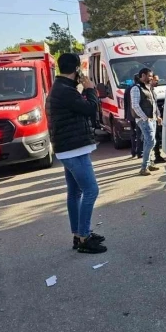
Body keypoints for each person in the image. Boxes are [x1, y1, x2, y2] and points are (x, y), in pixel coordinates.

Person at [47, 53, 106, 254]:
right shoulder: (65, 91)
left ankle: (78, 233)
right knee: (91, 191)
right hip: (74, 150)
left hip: (69, 148)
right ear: (76, 69)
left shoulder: (62, 88)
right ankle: (83, 237)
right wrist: (90, 89)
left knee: (75, 192)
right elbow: (90, 109)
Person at [131, 68, 161, 176]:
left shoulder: (149, 88)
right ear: (142, 76)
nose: (151, 78)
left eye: (152, 76)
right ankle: (144, 167)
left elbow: (154, 103)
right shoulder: (136, 88)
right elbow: (135, 105)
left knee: (149, 141)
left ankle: (149, 163)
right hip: (144, 120)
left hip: (151, 118)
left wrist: (157, 116)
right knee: (151, 141)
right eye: (149, 76)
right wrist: (144, 117)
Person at [123, 74, 141, 159]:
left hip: (130, 115)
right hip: (138, 114)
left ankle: (133, 151)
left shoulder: (128, 89)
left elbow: (125, 104)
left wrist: (126, 116)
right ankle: (139, 151)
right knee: (140, 133)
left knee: (133, 134)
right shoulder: (139, 89)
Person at [150, 75, 166, 164]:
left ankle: (157, 155)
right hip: (149, 119)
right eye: (156, 80)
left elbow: (155, 106)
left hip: (155, 117)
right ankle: (152, 158)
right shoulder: (147, 90)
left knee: (156, 137)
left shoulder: (153, 91)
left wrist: (158, 116)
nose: (157, 82)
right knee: (151, 139)